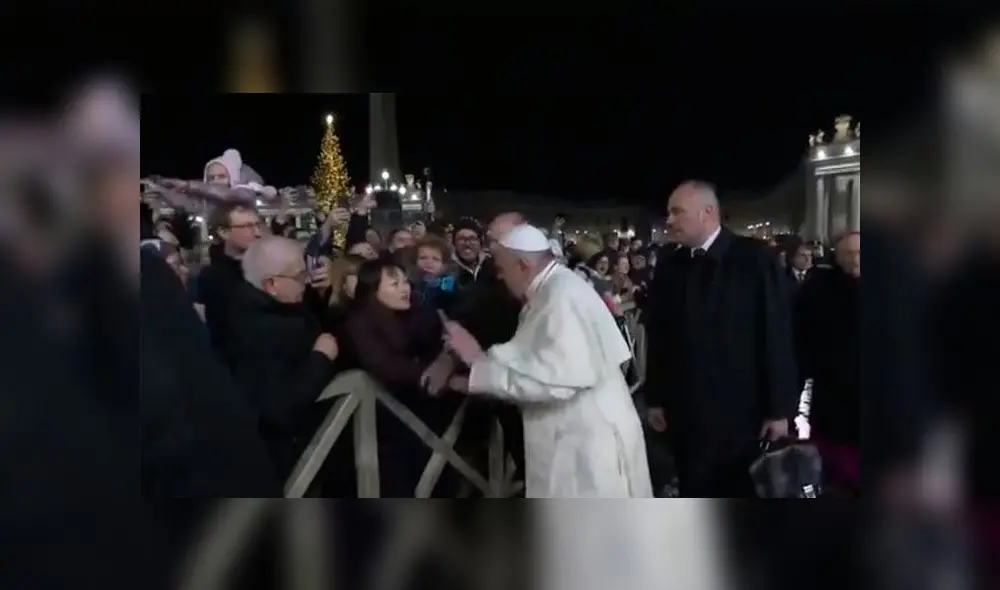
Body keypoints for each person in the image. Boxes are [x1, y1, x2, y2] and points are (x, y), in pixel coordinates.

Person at [441, 224, 653, 498]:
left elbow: (553, 383)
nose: (502, 279)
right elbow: (535, 362)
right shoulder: (550, 290)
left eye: (504, 271)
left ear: (524, 265)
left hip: (585, 441)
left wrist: (476, 365)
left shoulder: (559, 298)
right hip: (576, 435)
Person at [644, 180, 798, 497]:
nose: (669, 220)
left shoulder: (755, 259)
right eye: (668, 212)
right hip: (685, 413)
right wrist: (655, 396)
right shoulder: (670, 265)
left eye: (677, 212)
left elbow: (776, 335)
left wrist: (779, 408)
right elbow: (659, 336)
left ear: (708, 212)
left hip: (743, 415)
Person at [227, 236, 341, 479]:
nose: (306, 282)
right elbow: (280, 406)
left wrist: (320, 297)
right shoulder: (268, 330)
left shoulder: (248, 306)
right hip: (286, 458)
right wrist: (321, 358)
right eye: (300, 277)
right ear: (271, 284)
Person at [794, 230, 859, 495]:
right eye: (849, 253)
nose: (856, 259)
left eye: (860, 252)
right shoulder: (818, 289)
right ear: (836, 256)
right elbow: (802, 344)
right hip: (835, 403)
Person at [197, 201, 264, 363]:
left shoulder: (269, 265)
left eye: (258, 225)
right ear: (224, 232)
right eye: (248, 226)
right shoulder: (214, 278)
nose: (258, 233)